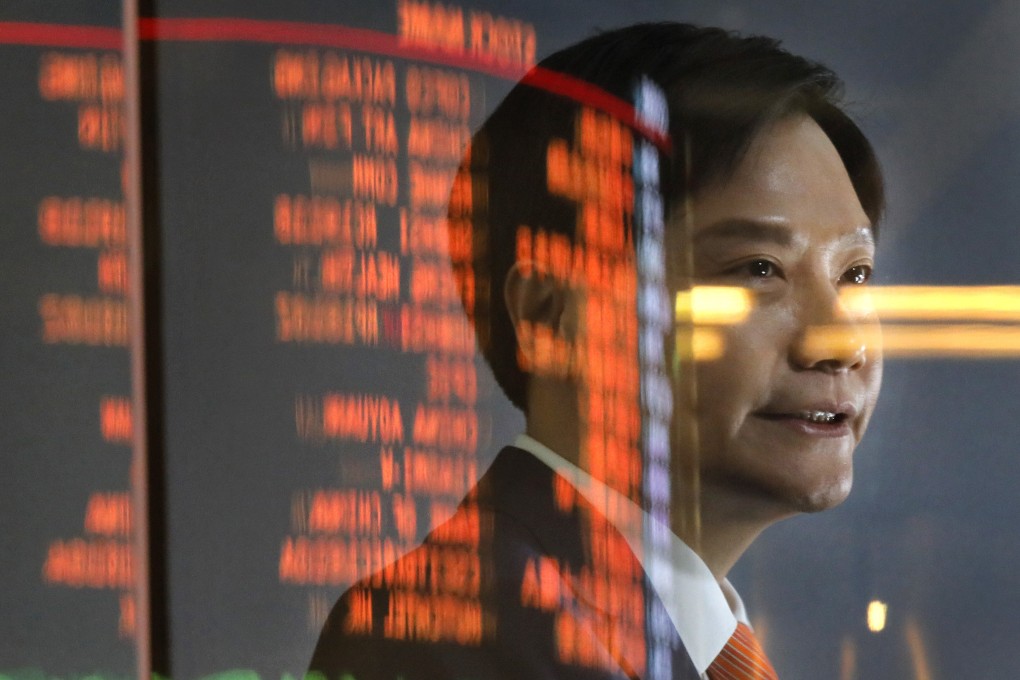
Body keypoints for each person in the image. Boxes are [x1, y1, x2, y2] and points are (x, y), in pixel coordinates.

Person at [309, 22, 884, 680]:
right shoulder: (454, 633)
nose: (839, 341)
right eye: (758, 269)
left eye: (854, 274)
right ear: (549, 317)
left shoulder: (637, 632)